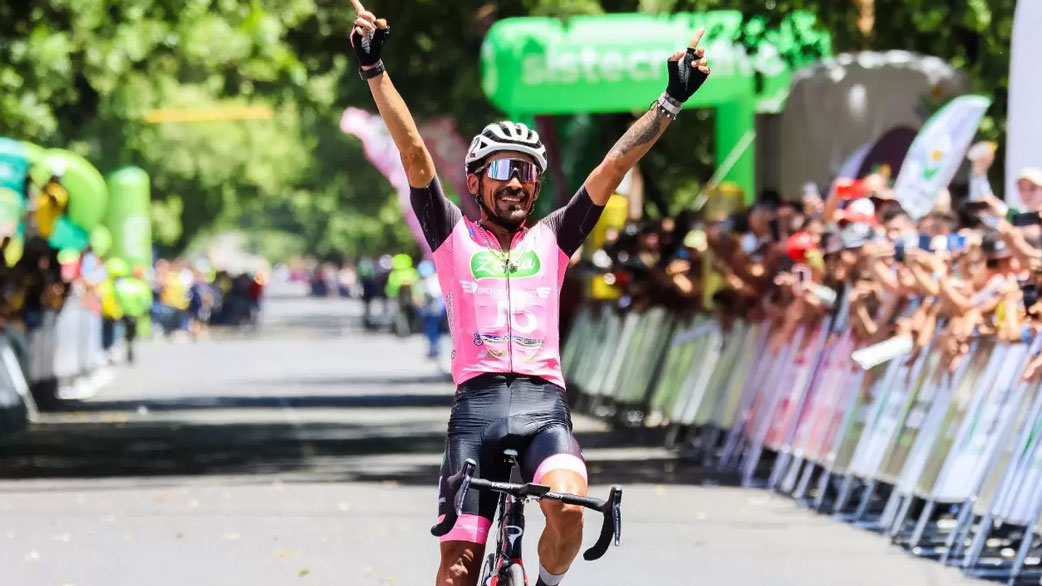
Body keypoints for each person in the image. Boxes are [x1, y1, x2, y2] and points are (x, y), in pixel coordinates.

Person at [348, 2, 711, 585]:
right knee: (458, 569)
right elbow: (413, 152)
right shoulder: (451, 236)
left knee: (567, 508)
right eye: (503, 170)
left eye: (527, 172)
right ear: (475, 182)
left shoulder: (555, 237)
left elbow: (614, 165)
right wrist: (375, 70)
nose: (516, 181)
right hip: (477, 411)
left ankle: (545, 583)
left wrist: (669, 102)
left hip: (545, 407)